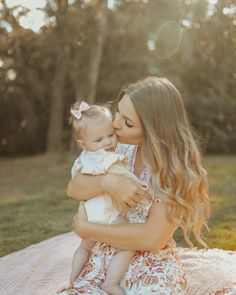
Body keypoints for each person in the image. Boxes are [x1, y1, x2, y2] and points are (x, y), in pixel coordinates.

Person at [57, 76, 210, 294]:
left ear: (153, 130)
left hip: (149, 262)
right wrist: (107, 182)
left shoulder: (171, 170)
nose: (116, 123)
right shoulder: (117, 147)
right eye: (118, 112)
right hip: (106, 254)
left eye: (128, 122)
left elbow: (152, 238)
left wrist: (87, 229)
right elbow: (74, 188)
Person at [68, 101, 150, 295]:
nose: (107, 142)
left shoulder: (82, 158)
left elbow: (75, 180)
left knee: (84, 247)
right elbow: (125, 177)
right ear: (83, 143)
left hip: (89, 214)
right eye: (99, 140)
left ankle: (73, 278)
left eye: (110, 135)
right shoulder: (109, 157)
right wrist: (140, 187)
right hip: (108, 216)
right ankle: (111, 282)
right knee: (127, 248)